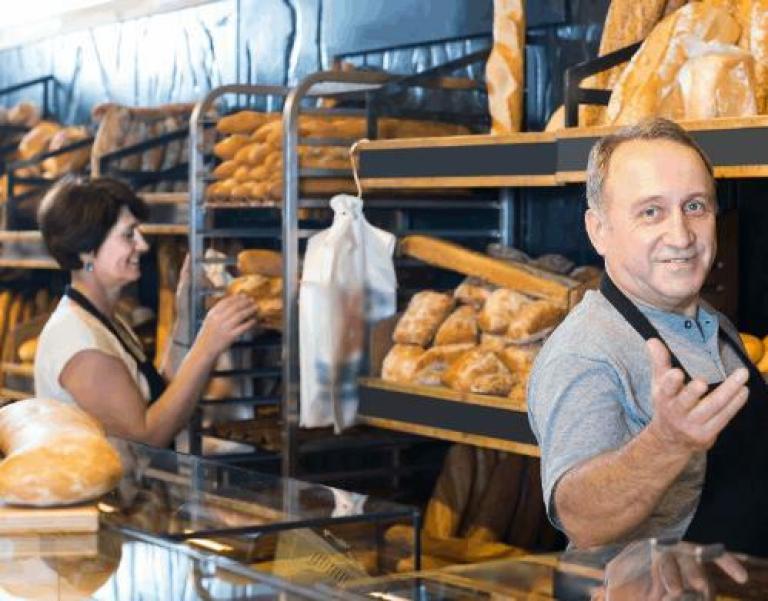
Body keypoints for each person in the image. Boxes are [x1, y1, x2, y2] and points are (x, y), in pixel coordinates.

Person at [527, 118, 768, 556]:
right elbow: (581, 519)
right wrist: (667, 443)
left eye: (695, 206)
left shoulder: (716, 326)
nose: (681, 236)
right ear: (598, 230)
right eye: (650, 212)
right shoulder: (586, 351)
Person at [34, 177, 257, 450]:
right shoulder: (77, 342)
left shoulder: (103, 321)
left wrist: (186, 314)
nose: (143, 245)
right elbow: (147, 435)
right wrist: (207, 347)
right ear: (86, 251)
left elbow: (159, 394)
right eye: (129, 235)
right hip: (101, 494)